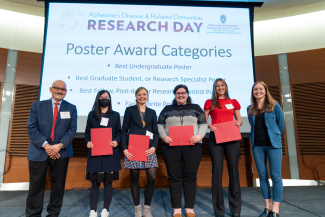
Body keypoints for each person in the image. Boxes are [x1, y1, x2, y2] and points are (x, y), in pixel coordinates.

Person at [26, 80, 77, 217]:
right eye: (57, 88)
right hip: (39, 151)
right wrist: (47, 146)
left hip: (61, 152)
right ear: (50, 89)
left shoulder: (71, 108)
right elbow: (32, 128)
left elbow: (72, 130)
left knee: (58, 187)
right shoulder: (37, 106)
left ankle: (53, 214)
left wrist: (58, 146)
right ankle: (33, 214)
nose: (60, 91)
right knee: (36, 187)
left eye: (63, 89)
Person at [158, 84, 208, 217]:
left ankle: (190, 209)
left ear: (187, 94)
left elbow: (203, 124)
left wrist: (199, 136)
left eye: (183, 93)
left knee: (190, 178)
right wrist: (164, 136)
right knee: (174, 178)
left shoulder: (196, 108)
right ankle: (177, 210)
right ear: (175, 95)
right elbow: (160, 124)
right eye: (178, 93)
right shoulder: (167, 109)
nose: (181, 95)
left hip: (192, 147)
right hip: (171, 148)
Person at [204, 78, 242, 217]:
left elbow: (240, 120)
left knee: (233, 171)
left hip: (232, 138)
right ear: (214, 88)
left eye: (222, 85)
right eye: (217, 86)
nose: (220, 88)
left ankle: (236, 209)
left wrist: (238, 123)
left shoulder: (234, 102)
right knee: (217, 171)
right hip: (216, 138)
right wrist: (209, 126)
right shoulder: (210, 103)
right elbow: (204, 119)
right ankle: (219, 210)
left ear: (226, 87)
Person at [247, 81, 284, 217]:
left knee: (276, 176)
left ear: (265, 90)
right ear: (253, 92)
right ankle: (267, 207)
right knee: (262, 176)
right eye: (255, 89)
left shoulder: (275, 105)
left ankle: (275, 209)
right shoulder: (250, 109)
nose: (258, 91)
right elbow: (253, 126)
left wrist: (275, 136)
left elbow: (280, 124)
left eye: (260, 89)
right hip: (257, 146)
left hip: (273, 145)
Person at [121, 87, 159, 217]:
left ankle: (147, 208)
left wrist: (154, 147)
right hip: (133, 148)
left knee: (152, 177)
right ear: (135, 96)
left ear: (147, 96)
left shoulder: (152, 112)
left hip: (149, 149)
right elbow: (124, 130)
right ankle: (137, 208)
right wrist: (125, 148)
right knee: (134, 177)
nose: (142, 96)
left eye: (144, 94)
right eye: (139, 94)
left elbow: (155, 131)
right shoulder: (129, 110)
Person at [85, 90, 122, 217]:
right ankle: (93, 210)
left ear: (110, 99)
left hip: (110, 153)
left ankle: (106, 209)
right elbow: (87, 133)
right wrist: (88, 141)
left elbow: (119, 132)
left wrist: (116, 141)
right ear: (98, 99)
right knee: (94, 183)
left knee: (108, 183)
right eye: (102, 97)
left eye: (107, 97)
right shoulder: (91, 115)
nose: (104, 99)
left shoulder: (115, 115)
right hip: (95, 153)